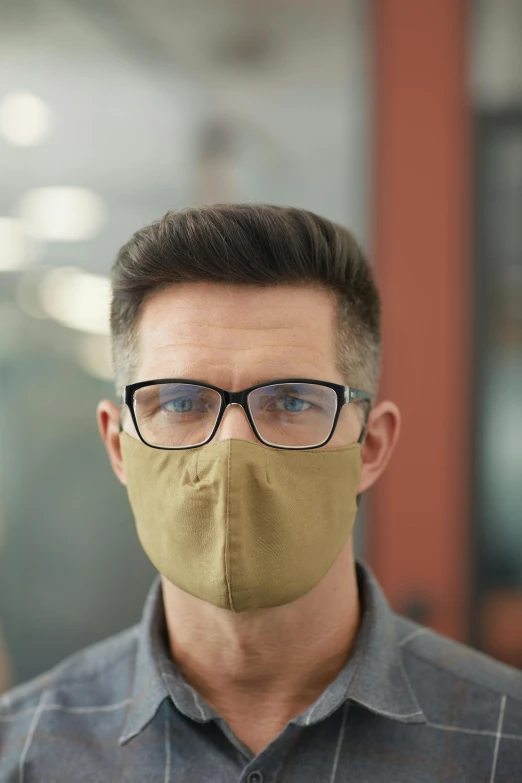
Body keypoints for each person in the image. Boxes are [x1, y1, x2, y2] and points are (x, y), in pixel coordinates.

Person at [0, 205, 520, 782]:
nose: (232, 447)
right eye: (180, 402)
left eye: (292, 401)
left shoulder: (506, 742)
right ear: (119, 447)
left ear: (370, 445)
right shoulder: (22, 755)